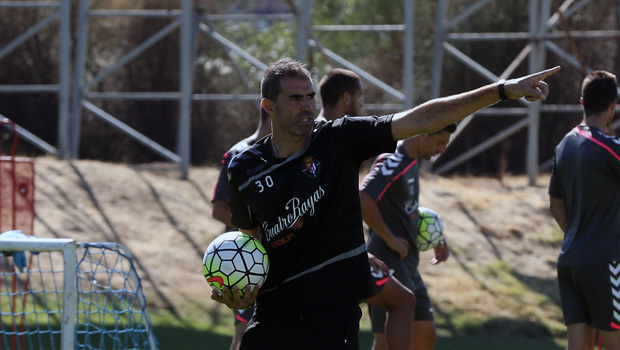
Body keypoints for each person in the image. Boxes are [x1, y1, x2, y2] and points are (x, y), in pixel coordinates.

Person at [212, 57, 559, 350]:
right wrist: (244, 288)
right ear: (268, 106)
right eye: (294, 98)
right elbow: (251, 239)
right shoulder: (245, 166)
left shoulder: (339, 138)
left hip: (332, 314)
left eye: (309, 96)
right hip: (273, 313)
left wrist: (502, 90)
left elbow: (421, 119)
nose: (306, 106)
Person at [319, 68, 417, 350]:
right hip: (331, 259)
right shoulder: (332, 137)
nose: (363, 105)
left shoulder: (318, 134)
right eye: (360, 98)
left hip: (341, 254)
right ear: (347, 98)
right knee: (403, 301)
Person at [359, 123, 456, 350]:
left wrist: (436, 237)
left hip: (409, 264)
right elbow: (363, 197)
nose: (442, 149)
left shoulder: (413, 161)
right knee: (383, 343)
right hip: (387, 261)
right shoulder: (392, 161)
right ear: (423, 133)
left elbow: (407, 209)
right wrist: (390, 237)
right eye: (440, 142)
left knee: (426, 335)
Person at [548, 70, 620, 350]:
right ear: (613, 104)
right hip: (604, 260)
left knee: (578, 344)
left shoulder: (563, 145)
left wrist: (578, 237)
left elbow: (554, 205)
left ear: (582, 102)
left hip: (570, 260)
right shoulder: (609, 146)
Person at [210, 107, 271, 350]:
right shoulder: (238, 155)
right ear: (271, 110)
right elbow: (219, 209)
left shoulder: (290, 154)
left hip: (281, 258)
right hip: (246, 263)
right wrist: (258, 226)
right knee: (244, 336)